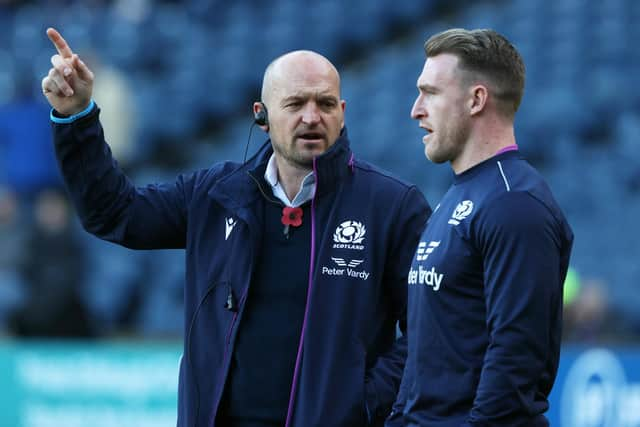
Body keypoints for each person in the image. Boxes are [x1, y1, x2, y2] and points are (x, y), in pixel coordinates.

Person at [41, 28, 431, 427]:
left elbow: (430, 329)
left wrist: (363, 404)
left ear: (343, 112)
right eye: (295, 103)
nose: (311, 117)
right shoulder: (216, 193)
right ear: (261, 115)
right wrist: (77, 119)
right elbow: (115, 214)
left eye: (325, 103)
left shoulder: (392, 206)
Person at [387, 28, 574, 426]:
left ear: (476, 100)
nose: (416, 109)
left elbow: (515, 354)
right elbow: (425, 347)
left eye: (430, 93)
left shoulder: (514, 203)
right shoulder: (459, 195)